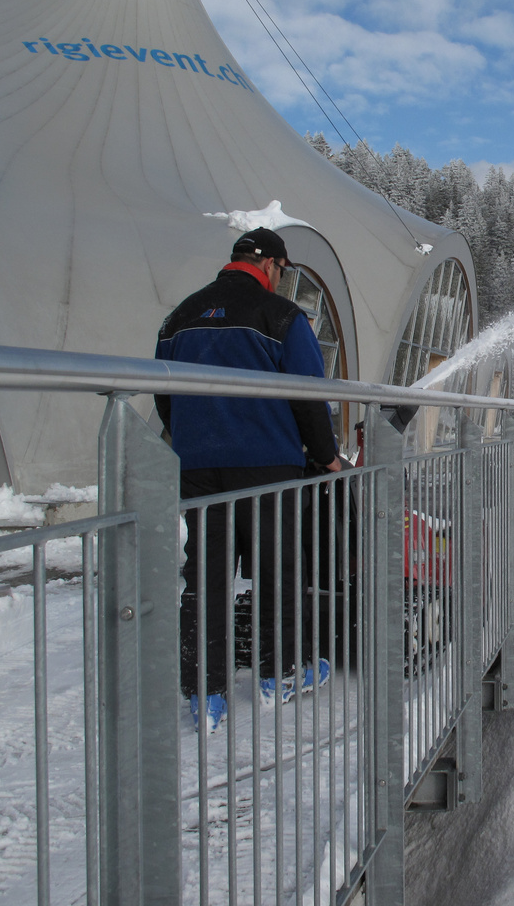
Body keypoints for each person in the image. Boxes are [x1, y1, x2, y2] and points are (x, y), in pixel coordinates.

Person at [155, 227, 341, 731]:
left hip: (198, 468)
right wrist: (327, 457)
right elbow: (307, 393)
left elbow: (163, 395)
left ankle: (204, 692)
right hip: (267, 466)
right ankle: (278, 674)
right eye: (282, 272)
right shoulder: (280, 316)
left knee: (206, 575)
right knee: (278, 567)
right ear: (271, 266)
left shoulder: (180, 316)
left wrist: (189, 440)